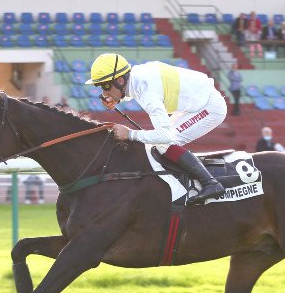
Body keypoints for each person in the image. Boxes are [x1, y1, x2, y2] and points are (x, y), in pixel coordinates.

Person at [85, 53, 226, 205]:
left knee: (164, 144)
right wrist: (118, 99)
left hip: (209, 107)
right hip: (196, 104)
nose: (104, 93)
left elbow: (165, 136)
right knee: (159, 144)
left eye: (105, 86)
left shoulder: (147, 92)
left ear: (120, 80)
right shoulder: (136, 77)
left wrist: (130, 134)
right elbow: (133, 90)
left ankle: (211, 183)